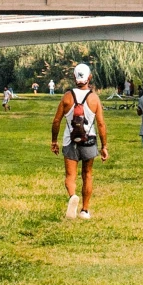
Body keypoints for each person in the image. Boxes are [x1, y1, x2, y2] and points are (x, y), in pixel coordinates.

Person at [52, 61, 106, 219]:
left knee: (70, 176)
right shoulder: (94, 98)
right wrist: (104, 146)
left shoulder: (67, 97)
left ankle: (72, 196)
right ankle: (85, 210)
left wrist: (54, 141)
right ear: (90, 77)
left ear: (74, 77)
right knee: (87, 174)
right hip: (89, 141)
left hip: (70, 141)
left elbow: (56, 121)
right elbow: (101, 124)